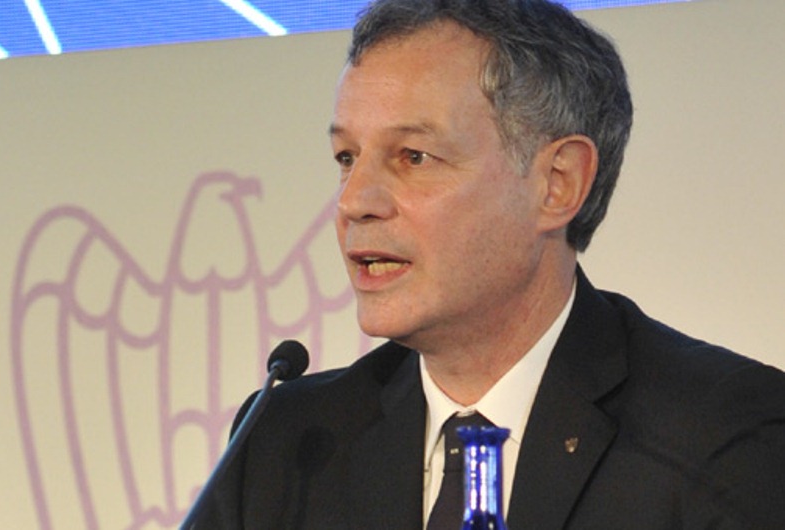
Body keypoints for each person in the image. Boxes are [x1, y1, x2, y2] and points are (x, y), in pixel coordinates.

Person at [201, 0, 785, 528]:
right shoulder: (284, 442)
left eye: (413, 156)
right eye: (347, 157)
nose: (354, 201)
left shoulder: (725, 434)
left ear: (557, 183)